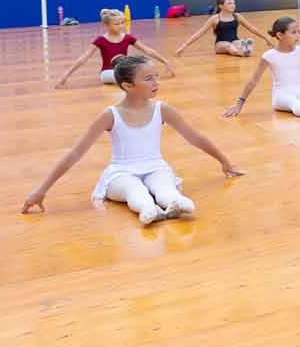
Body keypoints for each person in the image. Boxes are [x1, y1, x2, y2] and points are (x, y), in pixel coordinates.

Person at [23, 55, 242, 224]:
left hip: (155, 167)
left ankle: (175, 203)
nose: (156, 82)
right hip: (121, 172)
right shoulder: (110, 115)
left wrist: (224, 162)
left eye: (156, 76)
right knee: (133, 190)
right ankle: (148, 209)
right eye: (148, 79)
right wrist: (41, 190)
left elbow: (195, 138)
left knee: (165, 188)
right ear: (127, 86)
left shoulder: (162, 109)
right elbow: (75, 153)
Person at [225, 16, 300, 119]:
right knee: (294, 103)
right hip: (281, 96)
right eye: (293, 32)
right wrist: (239, 103)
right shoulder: (269, 55)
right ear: (280, 35)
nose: (297, 35)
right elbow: (253, 80)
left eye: (298, 32)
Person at [57, 9, 176, 87]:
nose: (121, 26)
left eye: (122, 23)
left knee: (139, 65)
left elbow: (147, 50)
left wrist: (165, 61)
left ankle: (139, 80)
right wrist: (66, 75)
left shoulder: (128, 38)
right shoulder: (100, 40)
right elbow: (83, 58)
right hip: (107, 73)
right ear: (106, 25)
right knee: (131, 78)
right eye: (117, 24)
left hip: (124, 70)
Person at [173, 0, 259, 58]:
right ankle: (241, 52)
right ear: (221, 6)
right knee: (228, 46)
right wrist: (183, 46)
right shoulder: (215, 19)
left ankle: (244, 48)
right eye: (229, 3)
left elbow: (252, 28)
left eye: (234, 3)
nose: (233, 5)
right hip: (220, 44)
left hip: (234, 40)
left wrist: (265, 38)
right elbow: (199, 33)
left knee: (238, 42)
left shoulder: (237, 16)